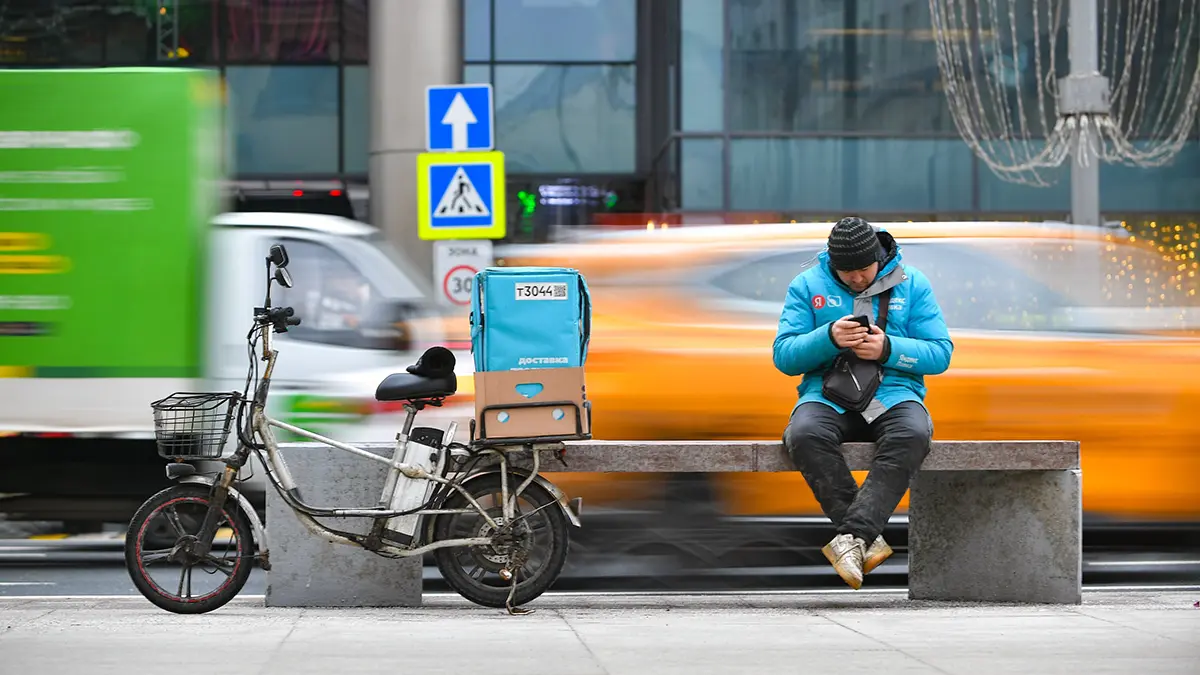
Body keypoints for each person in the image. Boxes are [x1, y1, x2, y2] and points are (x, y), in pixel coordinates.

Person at [772, 217, 953, 589]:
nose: (856, 278)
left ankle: (852, 538)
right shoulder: (806, 285)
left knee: (912, 433)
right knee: (803, 435)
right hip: (827, 395)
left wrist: (888, 348)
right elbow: (785, 357)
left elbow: (940, 354)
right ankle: (862, 539)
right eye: (846, 271)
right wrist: (828, 338)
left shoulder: (913, 283)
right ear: (832, 263)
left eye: (863, 270)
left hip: (894, 394)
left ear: (879, 258)